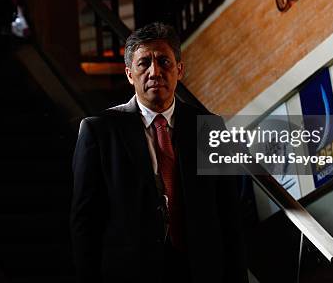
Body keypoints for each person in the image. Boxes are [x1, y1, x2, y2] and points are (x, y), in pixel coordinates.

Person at [71, 22, 248, 283]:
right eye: (144, 63)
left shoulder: (209, 128)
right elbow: (85, 221)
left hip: (199, 269)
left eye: (164, 62)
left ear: (179, 70)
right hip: (129, 271)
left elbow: (229, 215)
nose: (155, 72)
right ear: (130, 74)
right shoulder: (99, 131)